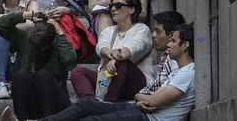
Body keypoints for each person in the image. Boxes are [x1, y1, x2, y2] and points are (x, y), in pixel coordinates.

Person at [38, 24, 196, 121]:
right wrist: (140, 99)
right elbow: (151, 98)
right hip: (138, 109)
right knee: (84, 105)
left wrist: (140, 98)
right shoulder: (178, 72)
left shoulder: (188, 73)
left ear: (185, 45)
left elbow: (153, 102)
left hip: (148, 118)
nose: (169, 44)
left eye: (173, 41)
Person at [70, 0, 155, 102]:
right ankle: (91, 103)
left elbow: (135, 46)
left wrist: (117, 58)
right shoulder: (109, 30)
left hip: (136, 83)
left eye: (118, 6)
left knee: (124, 63)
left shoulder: (142, 29)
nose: (113, 9)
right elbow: (101, 46)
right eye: (111, 6)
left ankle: (109, 102)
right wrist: (110, 53)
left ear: (132, 9)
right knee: (77, 72)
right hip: (109, 78)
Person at [0, 11, 76, 121]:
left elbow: (69, 59)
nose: (37, 50)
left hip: (56, 104)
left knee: (43, 75)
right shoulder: (25, 38)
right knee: (21, 75)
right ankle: (23, 119)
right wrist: (25, 15)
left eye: (40, 48)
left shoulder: (58, 42)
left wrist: (60, 32)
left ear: (49, 43)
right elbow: (0, 25)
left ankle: (48, 119)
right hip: (33, 102)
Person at [138, 11, 185, 96]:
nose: (153, 35)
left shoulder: (174, 60)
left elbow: (164, 95)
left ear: (171, 35)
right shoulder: (166, 56)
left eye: (158, 31)